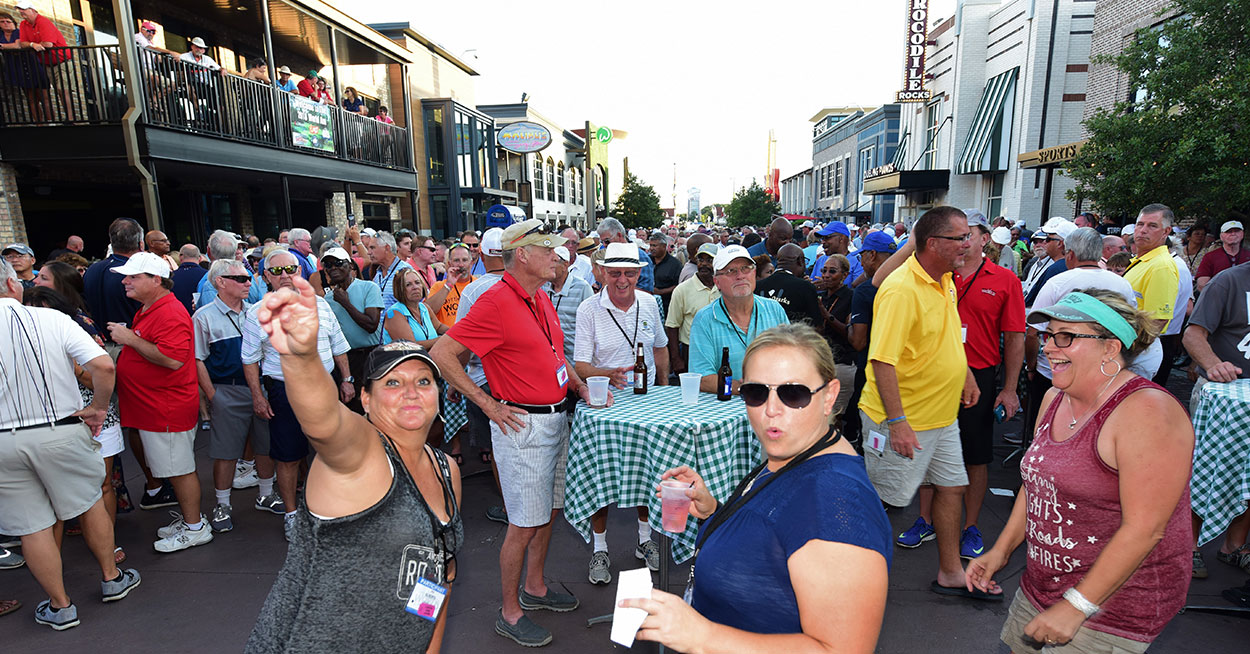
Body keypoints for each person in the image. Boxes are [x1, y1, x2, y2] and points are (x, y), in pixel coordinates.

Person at [622, 323, 890, 652]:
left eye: (794, 394)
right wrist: (714, 512)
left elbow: (843, 649)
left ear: (829, 395)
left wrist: (702, 636)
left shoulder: (837, 501)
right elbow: (778, 534)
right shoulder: (797, 453)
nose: (771, 410)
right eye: (756, 392)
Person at [967, 289, 1191, 652]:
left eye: (1066, 337)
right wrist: (1002, 549)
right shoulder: (1056, 397)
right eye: (1049, 335)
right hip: (1043, 589)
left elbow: (1146, 528)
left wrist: (1078, 605)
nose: (1049, 347)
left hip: (1111, 611)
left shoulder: (1147, 412)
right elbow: (1039, 481)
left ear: (1110, 347)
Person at [244, 300, 461, 653]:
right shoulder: (362, 455)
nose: (411, 392)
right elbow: (324, 423)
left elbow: (440, 576)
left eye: (424, 380)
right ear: (365, 399)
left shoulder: (445, 470)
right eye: (392, 382)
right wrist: (301, 357)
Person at [430, 219, 600, 647]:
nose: (557, 256)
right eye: (548, 249)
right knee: (523, 523)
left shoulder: (537, 296)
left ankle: (536, 588)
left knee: (549, 511)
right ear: (522, 254)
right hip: (522, 426)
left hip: (556, 417)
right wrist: (488, 404)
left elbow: (556, 351)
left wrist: (577, 385)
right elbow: (443, 353)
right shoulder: (496, 301)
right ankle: (510, 612)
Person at [0, 257, 140, 631]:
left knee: (32, 525)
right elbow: (104, 366)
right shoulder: (53, 319)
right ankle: (111, 578)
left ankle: (61, 606)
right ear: (14, 285)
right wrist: (97, 409)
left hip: (3, 441)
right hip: (60, 428)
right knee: (90, 500)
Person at [860, 206, 987, 599]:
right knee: (883, 504)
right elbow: (882, 360)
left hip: (942, 415)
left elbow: (945, 337)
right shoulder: (902, 289)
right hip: (903, 418)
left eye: (969, 236)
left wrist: (964, 374)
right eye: (961, 238)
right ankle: (853, 584)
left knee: (951, 488)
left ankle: (950, 572)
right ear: (932, 244)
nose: (970, 244)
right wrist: (897, 421)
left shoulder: (944, 279)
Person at [896, 212, 1025, 559]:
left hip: (979, 378)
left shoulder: (1005, 281)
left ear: (986, 238)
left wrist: (1009, 388)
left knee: (976, 455)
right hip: (930, 376)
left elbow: (1014, 338)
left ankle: (970, 525)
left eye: (969, 233)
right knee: (925, 447)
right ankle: (925, 520)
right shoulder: (933, 275)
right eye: (955, 234)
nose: (963, 241)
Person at [573, 242, 669, 583]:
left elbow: (660, 347)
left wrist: (665, 386)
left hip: (646, 401)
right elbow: (580, 365)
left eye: (629, 273)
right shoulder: (588, 309)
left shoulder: (649, 303)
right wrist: (606, 374)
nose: (622, 280)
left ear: (639, 273)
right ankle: (600, 548)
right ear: (602, 273)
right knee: (601, 476)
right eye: (615, 273)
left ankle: (645, 541)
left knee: (647, 470)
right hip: (605, 402)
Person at [242, 250, 353, 540]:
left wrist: (348, 379)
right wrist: (258, 396)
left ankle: (335, 509)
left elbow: (338, 343)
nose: (284, 275)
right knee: (288, 456)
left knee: (330, 450)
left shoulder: (320, 304)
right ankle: (292, 515)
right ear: (265, 276)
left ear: (299, 272)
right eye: (275, 271)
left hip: (325, 385)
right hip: (284, 389)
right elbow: (249, 359)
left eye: (290, 268)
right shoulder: (256, 314)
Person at [106, 252, 211, 553]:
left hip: (165, 408)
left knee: (180, 469)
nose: (125, 281)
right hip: (156, 408)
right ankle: (192, 521)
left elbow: (173, 360)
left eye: (133, 276)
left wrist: (129, 338)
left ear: (156, 280)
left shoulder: (168, 312)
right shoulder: (153, 308)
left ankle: (195, 527)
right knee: (176, 468)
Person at [194, 260, 280, 533]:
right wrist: (212, 395)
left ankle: (266, 494)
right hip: (228, 388)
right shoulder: (204, 317)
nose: (248, 283)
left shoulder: (256, 312)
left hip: (262, 386)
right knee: (226, 451)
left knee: (265, 444)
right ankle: (222, 504)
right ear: (220, 281)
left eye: (248, 279)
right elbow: (197, 359)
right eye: (241, 279)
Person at [1183, 258, 1250, 577]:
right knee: (1204, 466)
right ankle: (1189, 546)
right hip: (1221, 395)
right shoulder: (1228, 281)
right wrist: (1213, 364)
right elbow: (1193, 335)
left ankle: (1233, 547)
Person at [688, 245, 789, 395]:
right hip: (727, 410)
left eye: (745, 268)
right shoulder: (705, 319)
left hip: (775, 402)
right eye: (731, 271)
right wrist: (745, 389)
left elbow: (792, 358)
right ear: (717, 282)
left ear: (754, 273)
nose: (740, 276)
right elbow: (703, 378)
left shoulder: (774, 309)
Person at [845, 231, 899, 448]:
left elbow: (858, 341)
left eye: (861, 257)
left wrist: (850, 323)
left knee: (868, 443)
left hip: (870, 373)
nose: (861, 262)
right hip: (904, 373)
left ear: (872, 255)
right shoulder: (908, 283)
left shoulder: (867, 291)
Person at [318, 247, 382, 413]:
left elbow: (371, 325)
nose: (333, 268)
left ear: (350, 265)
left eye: (338, 263)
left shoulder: (369, 287)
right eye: (328, 265)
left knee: (374, 407)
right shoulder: (328, 299)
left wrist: (345, 303)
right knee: (352, 409)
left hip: (370, 356)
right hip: (346, 361)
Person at [665, 242, 720, 375]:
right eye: (700, 259)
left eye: (710, 260)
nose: (704, 264)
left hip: (720, 350)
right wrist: (676, 358)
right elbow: (672, 326)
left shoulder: (724, 287)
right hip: (691, 351)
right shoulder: (682, 289)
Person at [16, 1, 71, 123]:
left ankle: (71, 120)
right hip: (47, 63)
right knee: (58, 90)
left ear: (34, 11)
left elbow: (48, 44)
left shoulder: (43, 21)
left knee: (63, 89)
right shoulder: (23, 24)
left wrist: (34, 45)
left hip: (62, 60)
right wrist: (33, 44)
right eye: (19, 9)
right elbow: (23, 43)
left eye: (24, 9)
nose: (21, 12)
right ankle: (68, 119)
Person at [544, 245, 593, 368]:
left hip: (574, 362)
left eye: (554, 262)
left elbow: (593, 326)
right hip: (550, 362)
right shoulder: (543, 287)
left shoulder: (582, 287)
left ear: (565, 265)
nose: (549, 266)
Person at [755, 243, 823, 327]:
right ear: (800, 261)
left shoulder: (757, 286)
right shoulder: (805, 287)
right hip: (793, 338)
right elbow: (817, 326)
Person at [382, 268, 445, 347]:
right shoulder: (394, 313)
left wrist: (456, 332)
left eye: (417, 282)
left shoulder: (424, 307)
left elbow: (439, 327)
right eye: (408, 285)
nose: (415, 287)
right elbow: (411, 346)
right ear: (400, 289)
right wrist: (442, 339)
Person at [1024, 218, 1076, 307]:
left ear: (1060, 243)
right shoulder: (1067, 265)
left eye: (1048, 239)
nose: (1045, 242)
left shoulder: (1056, 269)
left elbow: (1042, 306)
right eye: (1035, 242)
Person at [597, 218, 654, 292]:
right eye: (602, 242)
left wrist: (616, 288)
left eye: (607, 241)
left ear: (619, 235)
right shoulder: (605, 255)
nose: (604, 245)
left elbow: (647, 291)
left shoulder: (640, 256)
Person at [426, 244, 476, 328]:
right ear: (449, 264)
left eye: (464, 260)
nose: (461, 265)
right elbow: (427, 313)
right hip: (448, 337)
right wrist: (448, 285)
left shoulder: (478, 285)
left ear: (471, 263)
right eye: (456, 260)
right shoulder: (439, 286)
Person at [1195, 220, 1249, 292]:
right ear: (1221, 236)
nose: (1233, 234)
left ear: (1242, 234)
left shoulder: (1248, 256)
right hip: (1219, 299)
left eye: (1236, 231)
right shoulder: (1210, 257)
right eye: (1228, 232)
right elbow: (1202, 285)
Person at [369, 231, 412, 311]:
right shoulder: (378, 274)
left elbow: (415, 304)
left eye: (372, 248)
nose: (369, 253)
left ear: (387, 248)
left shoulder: (405, 270)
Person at [648, 233, 682, 313]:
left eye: (654, 246)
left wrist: (660, 292)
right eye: (651, 245)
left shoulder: (675, 264)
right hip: (647, 304)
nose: (651, 248)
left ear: (664, 246)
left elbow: (678, 286)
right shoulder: (647, 260)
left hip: (666, 306)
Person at [170, 244, 207, 314]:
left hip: (178, 318)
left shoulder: (170, 277)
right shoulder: (207, 276)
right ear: (200, 258)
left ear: (180, 257)